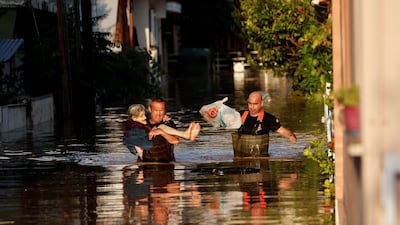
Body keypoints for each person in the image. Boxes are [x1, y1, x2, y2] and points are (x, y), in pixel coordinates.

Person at [124, 103, 201, 160]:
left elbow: (175, 141)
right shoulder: (134, 130)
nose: (144, 117)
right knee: (160, 128)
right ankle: (185, 135)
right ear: (133, 118)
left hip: (159, 155)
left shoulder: (142, 123)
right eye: (141, 116)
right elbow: (140, 150)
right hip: (148, 156)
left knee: (160, 127)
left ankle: (186, 135)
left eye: (144, 115)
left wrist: (163, 119)